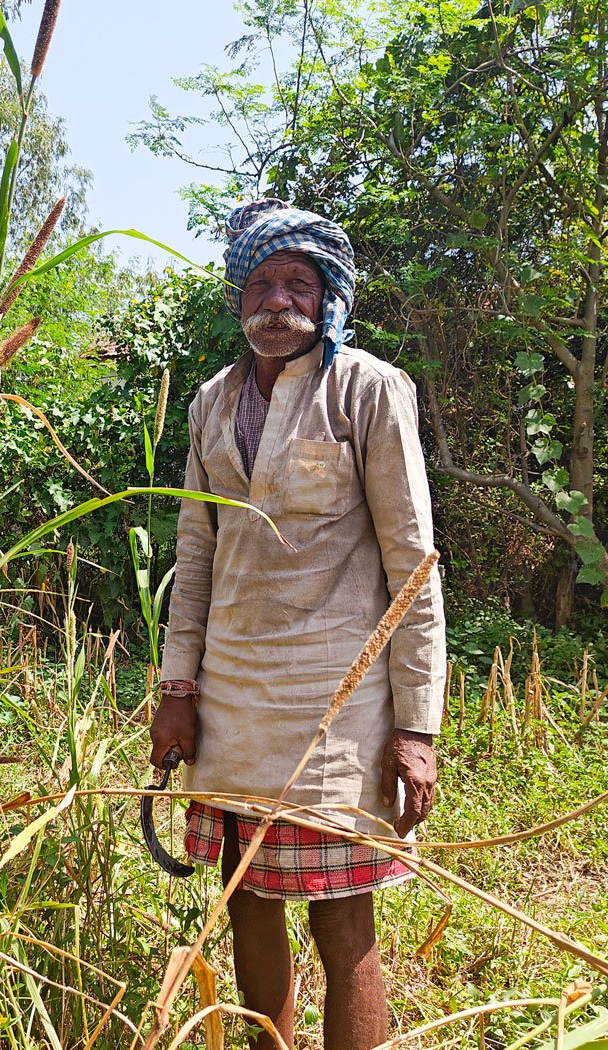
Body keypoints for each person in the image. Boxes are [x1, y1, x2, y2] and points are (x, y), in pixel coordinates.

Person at [150, 198, 446, 1050]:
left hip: (336, 710)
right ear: (239, 295)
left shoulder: (369, 389)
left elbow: (413, 565)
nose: (276, 301)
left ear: (329, 298)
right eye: (261, 282)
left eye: (298, 283)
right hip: (233, 702)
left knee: (343, 924)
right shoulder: (211, 402)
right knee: (246, 902)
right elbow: (195, 559)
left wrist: (416, 725)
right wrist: (178, 688)